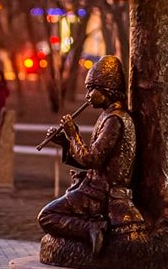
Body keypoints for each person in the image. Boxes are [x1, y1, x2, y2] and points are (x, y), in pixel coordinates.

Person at [38, 55, 143, 255]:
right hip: (94, 188)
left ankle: (91, 228)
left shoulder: (115, 120)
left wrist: (73, 134)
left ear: (106, 90)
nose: (87, 95)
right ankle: (91, 228)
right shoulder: (107, 116)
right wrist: (66, 142)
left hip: (101, 193)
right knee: (49, 214)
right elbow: (92, 161)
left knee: (47, 216)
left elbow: (92, 159)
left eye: (91, 89)